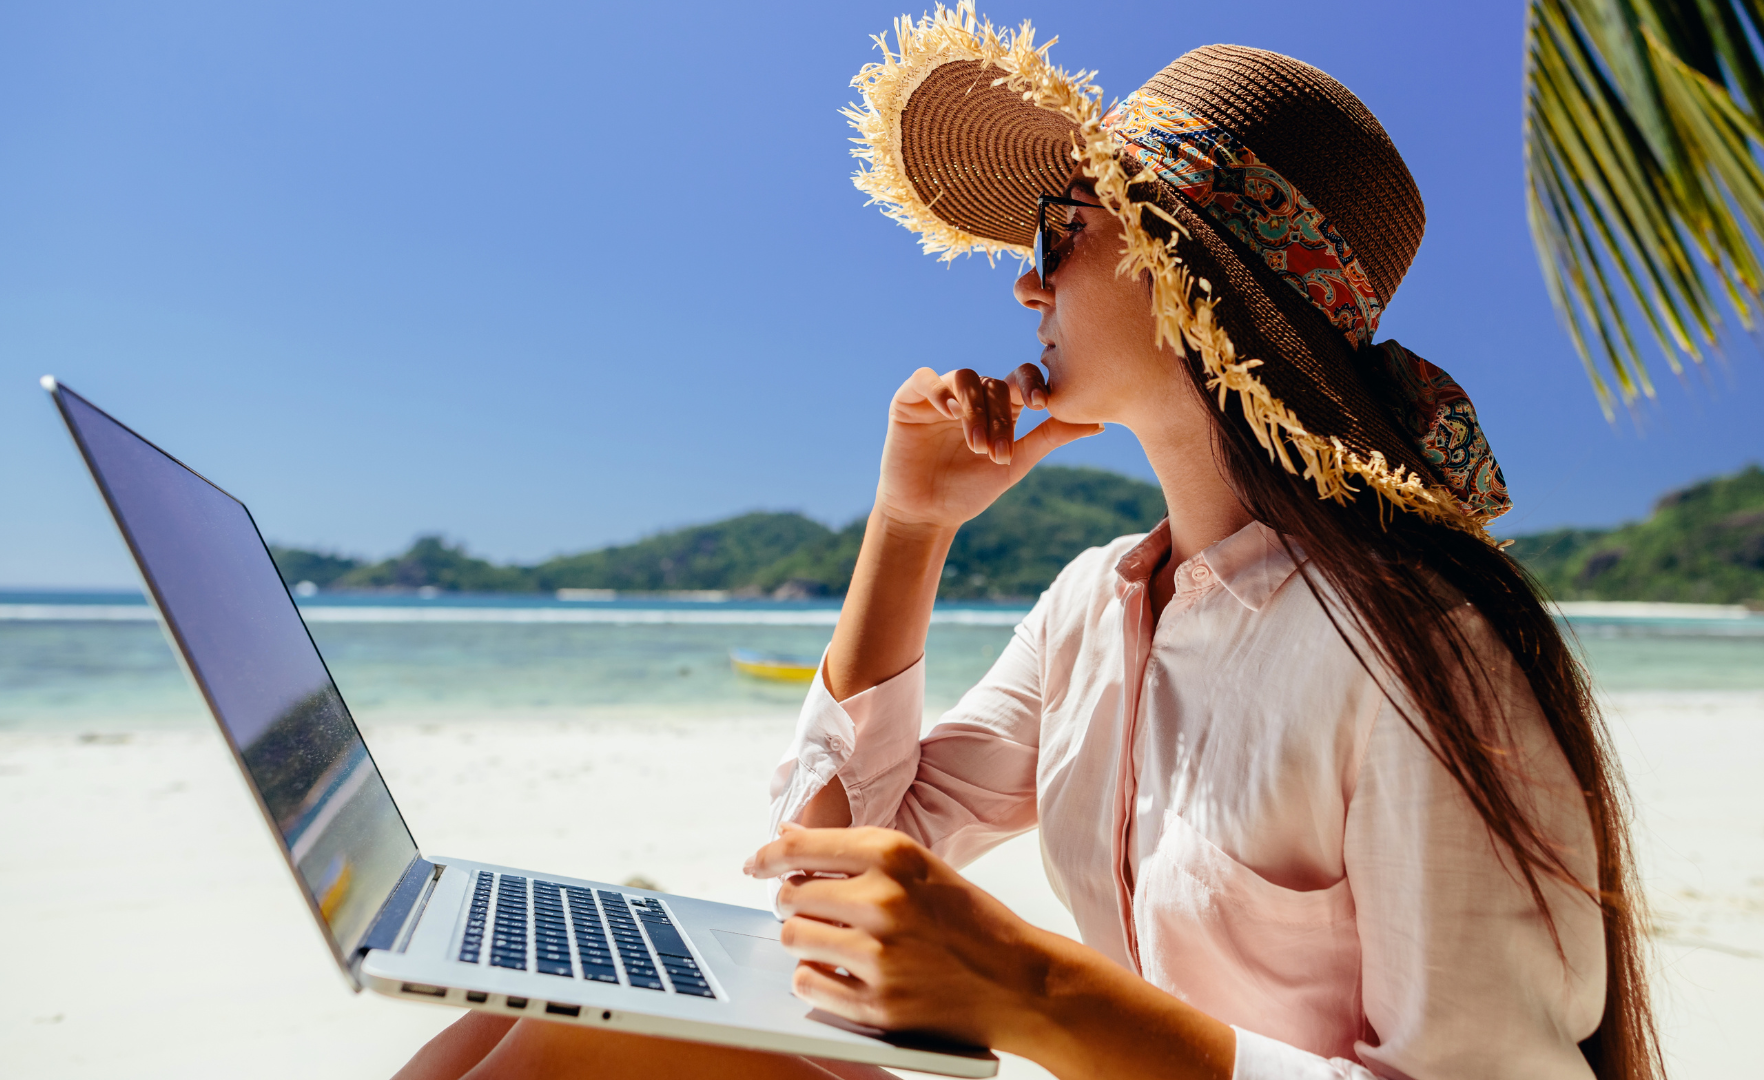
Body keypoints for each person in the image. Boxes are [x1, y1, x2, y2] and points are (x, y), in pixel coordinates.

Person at [394, 6, 1662, 1079]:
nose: (1023, 283)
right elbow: (837, 863)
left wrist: (1032, 991)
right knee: (528, 1011)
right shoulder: (1093, 605)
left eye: (1061, 230)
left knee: (578, 1057)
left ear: (1186, 271)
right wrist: (907, 529)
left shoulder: (1421, 652)